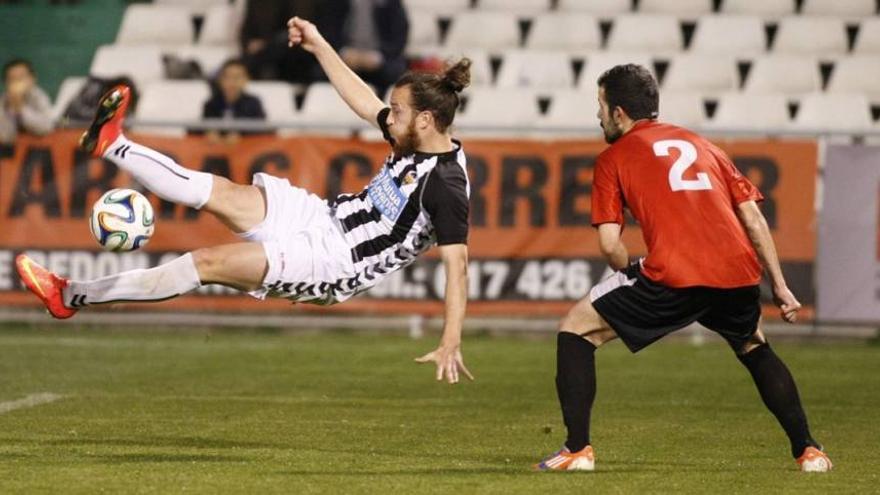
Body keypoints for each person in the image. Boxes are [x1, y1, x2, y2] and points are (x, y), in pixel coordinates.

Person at [16, 17, 474, 385]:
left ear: (428, 121)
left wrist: (451, 337)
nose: (386, 117)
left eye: (396, 112)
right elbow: (363, 99)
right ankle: (111, 143)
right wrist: (318, 44)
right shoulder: (411, 136)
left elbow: (458, 267)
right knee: (225, 192)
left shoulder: (447, 186)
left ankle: (69, 294)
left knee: (209, 262)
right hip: (324, 217)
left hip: (334, 262)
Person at [535, 64, 832, 472]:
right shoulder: (704, 145)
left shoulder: (613, 157)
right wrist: (779, 286)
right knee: (753, 346)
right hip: (737, 271)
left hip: (673, 273)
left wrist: (627, 276)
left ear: (619, 112)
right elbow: (753, 219)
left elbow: (609, 244)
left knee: (575, 328)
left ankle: (576, 450)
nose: (598, 116)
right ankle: (809, 451)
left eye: (600, 106)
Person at [201, 58, 267, 143]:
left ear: (245, 80)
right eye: (228, 77)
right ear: (220, 80)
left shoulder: (254, 104)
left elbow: (264, 130)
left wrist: (242, 135)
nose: (232, 82)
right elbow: (200, 128)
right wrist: (209, 133)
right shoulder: (211, 104)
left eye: (237, 77)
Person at [0, 58, 53, 144]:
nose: (17, 81)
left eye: (21, 77)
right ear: (6, 83)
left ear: (32, 79)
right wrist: (13, 107)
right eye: (12, 78)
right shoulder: (3, 101)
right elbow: (5, 137)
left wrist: (21, 108)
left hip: (39, 149)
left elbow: (46, 127)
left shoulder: (39, 97)